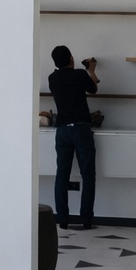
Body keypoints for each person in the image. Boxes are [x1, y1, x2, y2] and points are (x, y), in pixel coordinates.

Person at [48, 44, 99, 230]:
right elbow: (94, 88)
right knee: (88, 175)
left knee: (62, 174)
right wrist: (91, 70)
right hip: (81, 129)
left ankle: (62, 219)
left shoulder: (52, 78)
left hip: (62, 131)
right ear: (71, 58)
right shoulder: (79, 75)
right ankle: (86, 219)